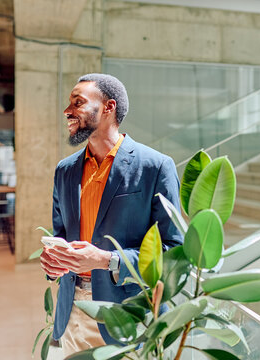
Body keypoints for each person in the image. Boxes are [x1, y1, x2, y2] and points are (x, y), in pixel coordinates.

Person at [39, 73, 183, 356]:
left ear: (108, 107)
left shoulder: (155, 167)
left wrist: (107, 260)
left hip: (128, 313)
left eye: (78, 102)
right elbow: (61, 234)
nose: (68, 111)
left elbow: (173, 251)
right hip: (72, 311)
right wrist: (53, 258)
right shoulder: (65, 170)